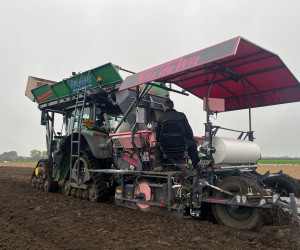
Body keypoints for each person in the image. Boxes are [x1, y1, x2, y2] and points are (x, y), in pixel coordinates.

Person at [154, 99, 200, 171]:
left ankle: (159, 165)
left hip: (166, 147)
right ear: (172, 106)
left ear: (166, 107)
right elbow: (188, 131)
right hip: (181, 146)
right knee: (193, 144)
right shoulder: (182, 116)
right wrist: (191, 140)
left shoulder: (160, 118)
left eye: (163, 107)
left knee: (157, 145)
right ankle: (196, 166)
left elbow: (158, 137)